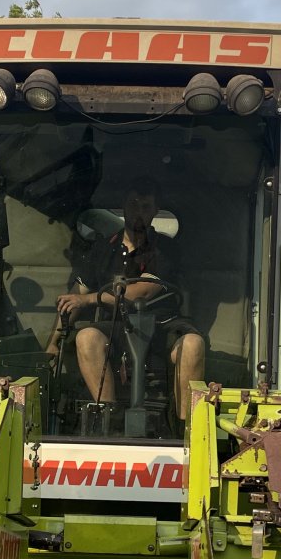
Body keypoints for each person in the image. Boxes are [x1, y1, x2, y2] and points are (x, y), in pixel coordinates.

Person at [47, 176, 205, 421]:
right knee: (86, 336)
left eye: (145, 206)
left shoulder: (165, 248)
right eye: (133, 204)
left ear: (155, 211)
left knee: (193, 344)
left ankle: (187, 427)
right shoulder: (101, 249)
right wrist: (54, 342)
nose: (138, 212)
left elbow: (139, 293)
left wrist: (88, 300)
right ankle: (108, 419)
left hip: (162, 326)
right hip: (116, 328)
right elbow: (75, 296)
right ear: (123, 207)